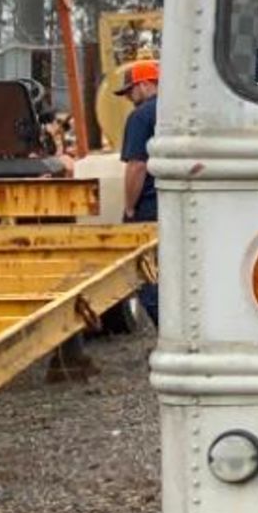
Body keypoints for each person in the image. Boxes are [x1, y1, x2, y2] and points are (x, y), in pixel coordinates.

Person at [118, 60, 161, 326]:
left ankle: (168, 334)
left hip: (149, 207)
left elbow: (136, 166)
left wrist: (130, 208)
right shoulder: (181, 110)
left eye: (131, 91)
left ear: (145, 85)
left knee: (147, 276)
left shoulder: (141, 116)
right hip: (180, 201)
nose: (129, 98)